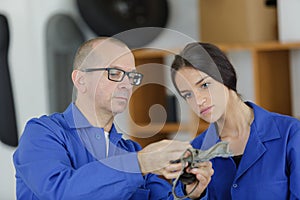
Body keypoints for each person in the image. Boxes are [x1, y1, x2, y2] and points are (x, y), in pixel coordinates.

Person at [13, 37, 213, 200]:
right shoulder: (42, 134)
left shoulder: (130, 150)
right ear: (81, 80)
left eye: (132, 76)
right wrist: (139, 164)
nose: (127, 84)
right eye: (115, 73)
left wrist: (190, 193)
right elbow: (60, 193)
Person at [170, 42, 300, 199]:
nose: (198, 101)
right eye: (188, 95)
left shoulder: (290, 134)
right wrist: (194, 195)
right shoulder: (194, 153)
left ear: (225, 76)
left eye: (204, 85)